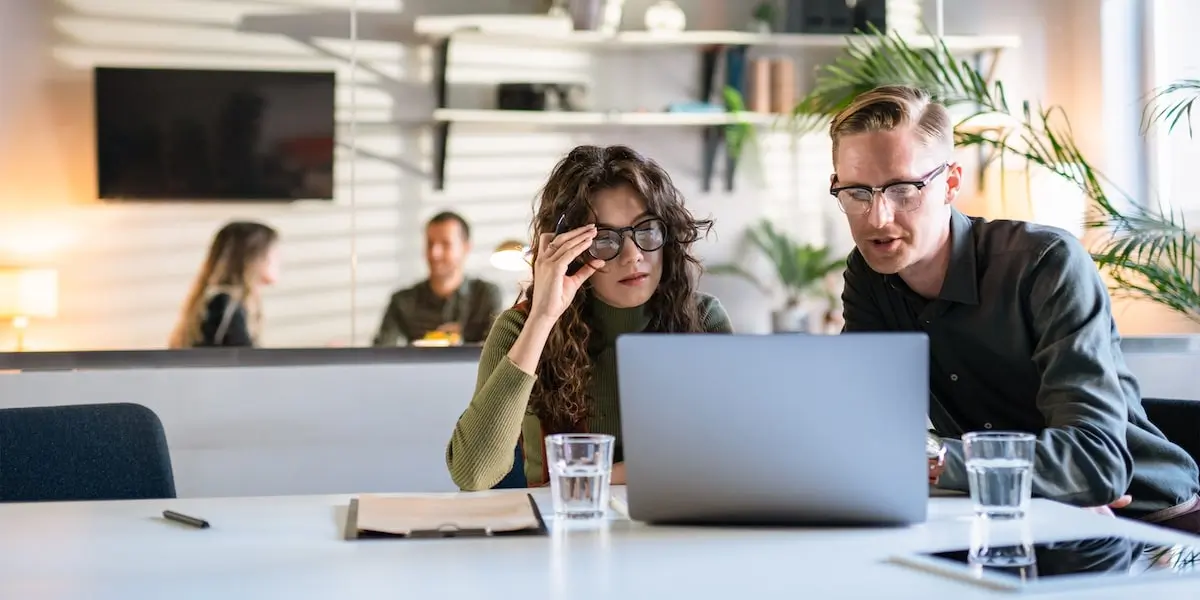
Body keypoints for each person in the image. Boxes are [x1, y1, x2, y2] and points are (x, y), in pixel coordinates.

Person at [831, 84, 1200, 534]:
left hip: (1152, 523)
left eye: (903, 190)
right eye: (856, 193)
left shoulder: (1045, 263)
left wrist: (933, 459)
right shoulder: (870, 275)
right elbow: (859, 433)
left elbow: (1095, 464)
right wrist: (1041, 487)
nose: (878, 219)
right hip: (1008, 516)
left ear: (949, 183)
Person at [445, 145, 733, 491]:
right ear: (572, 250)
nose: (633, 255)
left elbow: (725, 452)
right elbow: (473, 474)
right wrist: (543, 317)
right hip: (564, 532)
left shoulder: (703, 319)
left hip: (675, 533)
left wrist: (588, 478)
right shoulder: (520, 328)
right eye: (604, 239)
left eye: (646, 230)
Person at [373, 211, 503, 346]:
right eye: (430, 244)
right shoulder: (403, 301)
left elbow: (497, 350)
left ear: (465, 248)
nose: (434, 253)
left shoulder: (485, 295)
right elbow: (382, 353)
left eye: (445, 244)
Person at [168, 221, 280, 348]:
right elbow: (243, 362)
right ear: (254, 257)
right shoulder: (226, 305)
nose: (279, 261)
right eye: (274, 255)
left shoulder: (225, 301)